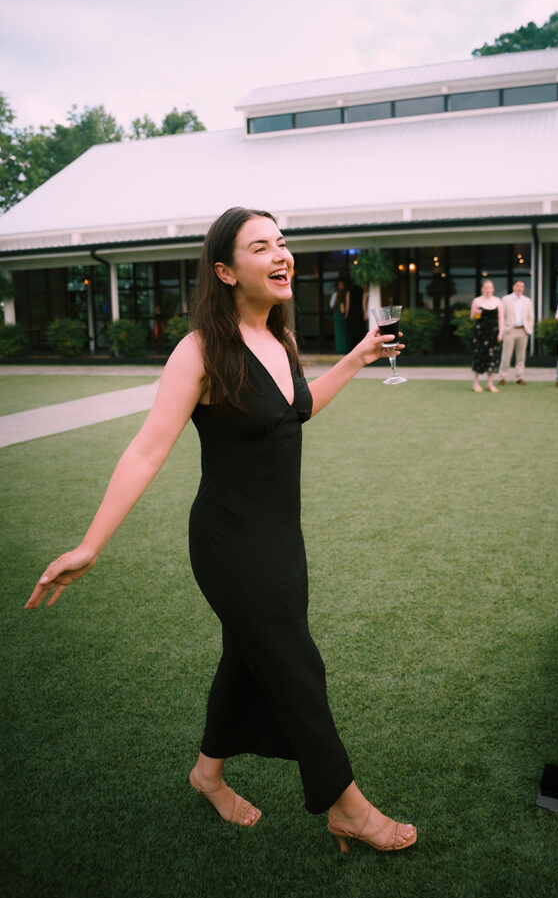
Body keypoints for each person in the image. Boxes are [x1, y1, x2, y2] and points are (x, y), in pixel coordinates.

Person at [25, 207, 416, 855]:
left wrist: (359, 355)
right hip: (230, 545)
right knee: (296, 666)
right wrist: (91, 544)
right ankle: (347, 806)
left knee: (247, 658)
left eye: (283, 243)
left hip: (282, 541)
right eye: (261, 246)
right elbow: (148, 449)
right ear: (227, 270)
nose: (281, 255)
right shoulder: (202, 350)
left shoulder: (281, 340)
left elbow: (300, 409)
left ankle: (208, 773)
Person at [497, 280, 534, 385]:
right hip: (510, 331)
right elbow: (501, 316)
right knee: (506, 355)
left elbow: (531, 317)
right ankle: (503, 377)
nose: (519, 288)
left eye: (522, 287)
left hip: (523, 331)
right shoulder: (506, 299)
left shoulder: (527, 301)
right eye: (518, 286)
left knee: (521, 356)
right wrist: (504, 329)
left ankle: (519, 376)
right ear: (513, 287)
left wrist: (529, 329)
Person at [470, 279, 503, 392]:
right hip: (480, 333)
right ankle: (475, 383)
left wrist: (501, 332)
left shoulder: (498, 301)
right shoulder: (477, 301)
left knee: (492, 357)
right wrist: (475, 312)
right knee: (478, 356)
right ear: (482, 289)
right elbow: (472, 317)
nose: (488, 290)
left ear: (493, 289)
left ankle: (490, 383)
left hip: (493, 333)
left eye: (490, 287)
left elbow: (501, 318)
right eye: (486, 287)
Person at [330, 278, 349, 354]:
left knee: (342, 334)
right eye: (339, 285)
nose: (341, 286)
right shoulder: (335, 294)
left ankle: (342, 349)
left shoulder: (346, 294)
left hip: (340, 317)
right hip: (339, 317)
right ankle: (341, 349)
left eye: (342, 285)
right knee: (340, 334)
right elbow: (332, 305)